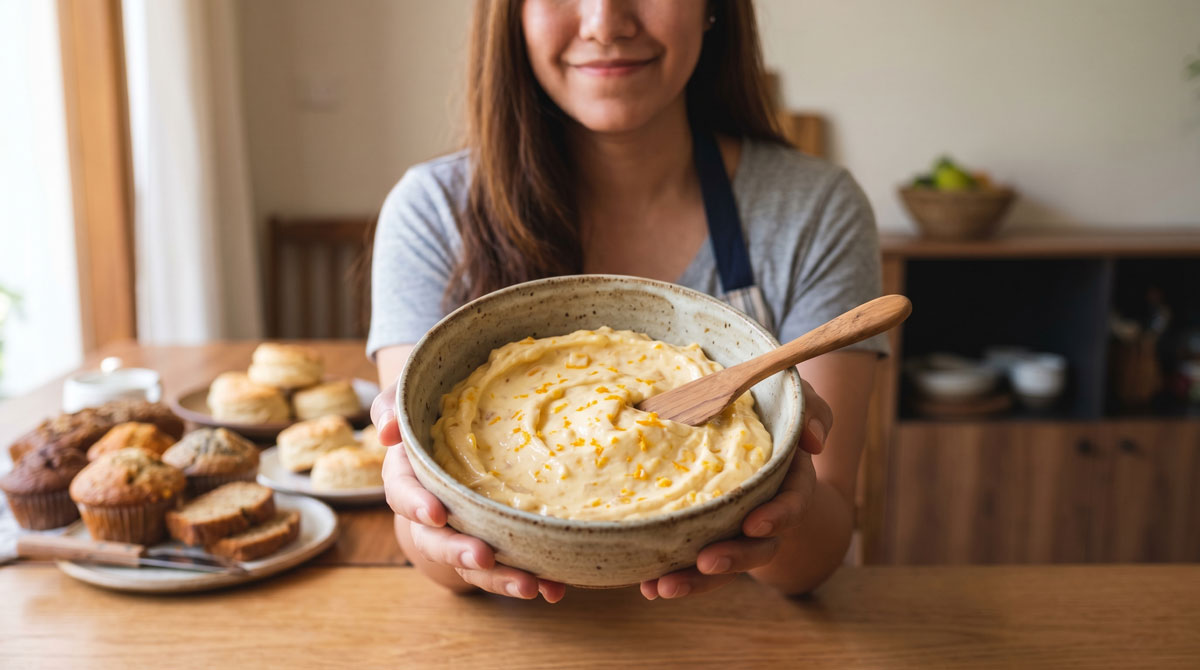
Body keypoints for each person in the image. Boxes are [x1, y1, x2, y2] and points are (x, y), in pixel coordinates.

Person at [368, 0, 885, 604]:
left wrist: (778, 500)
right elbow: (426, 544)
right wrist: (431, 525)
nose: (605, 22)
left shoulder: (815, 211)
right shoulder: (434, 212)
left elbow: (815, 558)